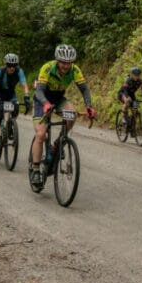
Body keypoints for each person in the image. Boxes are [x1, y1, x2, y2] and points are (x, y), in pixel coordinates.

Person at [30, 45, 96, 184]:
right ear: (56, 60)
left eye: (68, 63)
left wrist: (89, 106)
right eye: (63, 62)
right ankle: (35, 169)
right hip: (42, 100)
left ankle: (58, 143)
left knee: (72, 114)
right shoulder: (47, 68)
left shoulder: (75, 70)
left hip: (59, 99)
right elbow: (39, 91)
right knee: (41, 134)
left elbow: (84, 89)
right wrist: (46, 104)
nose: (66, 66)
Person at [0, 53, 31, 152]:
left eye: (14, 66)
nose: (12, 68)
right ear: (6, 64)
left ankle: (11, 125)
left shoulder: (19, 71)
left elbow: (24, 84)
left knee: (15, 109)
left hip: (10, 94)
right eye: (9, 66)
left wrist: (27, 96)